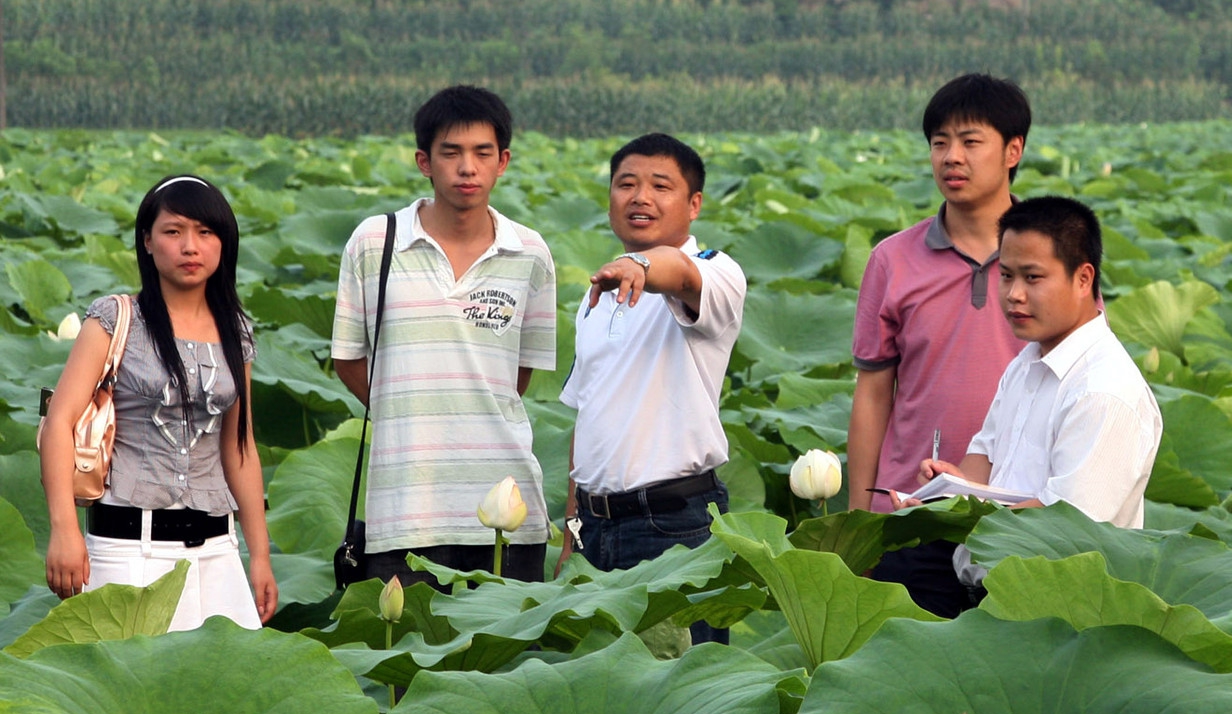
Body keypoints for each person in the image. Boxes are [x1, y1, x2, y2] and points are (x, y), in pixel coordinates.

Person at [331, 85, 556, 589]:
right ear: (423, 161)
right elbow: (348, 360)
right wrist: (409, 406)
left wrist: (466, 403)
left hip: (507, 507)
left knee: (505, 663)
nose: (467, 168)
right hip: (404, 509)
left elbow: (518, 376)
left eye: (481, 153)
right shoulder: (374, 242)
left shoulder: (531, 254)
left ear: (503, 161)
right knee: (406, 659)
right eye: (450, 153)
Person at [41, 174, 277, 630]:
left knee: (218, 696)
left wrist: (260, 554)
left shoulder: (236, 330)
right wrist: (65, 529)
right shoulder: (114, 318)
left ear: (223, 242)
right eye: (174, 231)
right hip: (128, 550)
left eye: (205, 233)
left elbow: (239, 446)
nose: (191, 246)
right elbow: (59, 425)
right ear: (147, 241)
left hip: (217, 552)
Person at [894, 195, 1163, 585]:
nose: (1014, 294)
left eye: (1032, 278)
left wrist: (962, 511)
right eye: (1006, 275)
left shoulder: (1104, 392)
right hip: (981, 585)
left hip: (1048, 607)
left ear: (1083, 278)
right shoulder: (1026, 362)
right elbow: (983, 457)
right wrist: (950, 488)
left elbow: (1063, 525)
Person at [848, 73, 1031, 617]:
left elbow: (1081, 375)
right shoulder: (892, 260)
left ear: (1012, 151)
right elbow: (873, 394)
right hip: (911, 512)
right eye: (939, 142)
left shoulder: (1052, 256)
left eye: (971, 142)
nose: (952, 157)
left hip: (1020, 512)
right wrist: (860, 520)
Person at [559, 133, 747, 644]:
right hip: (596, 528)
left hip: (673, 527)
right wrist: (573, 522)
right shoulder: (596, 292)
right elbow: (588, 410)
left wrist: (641, 264)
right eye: (626, 184)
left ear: (694, 204)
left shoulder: (717, 272)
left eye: (660, 186)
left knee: (682, 701)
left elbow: (680, 272)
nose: (640, 197)